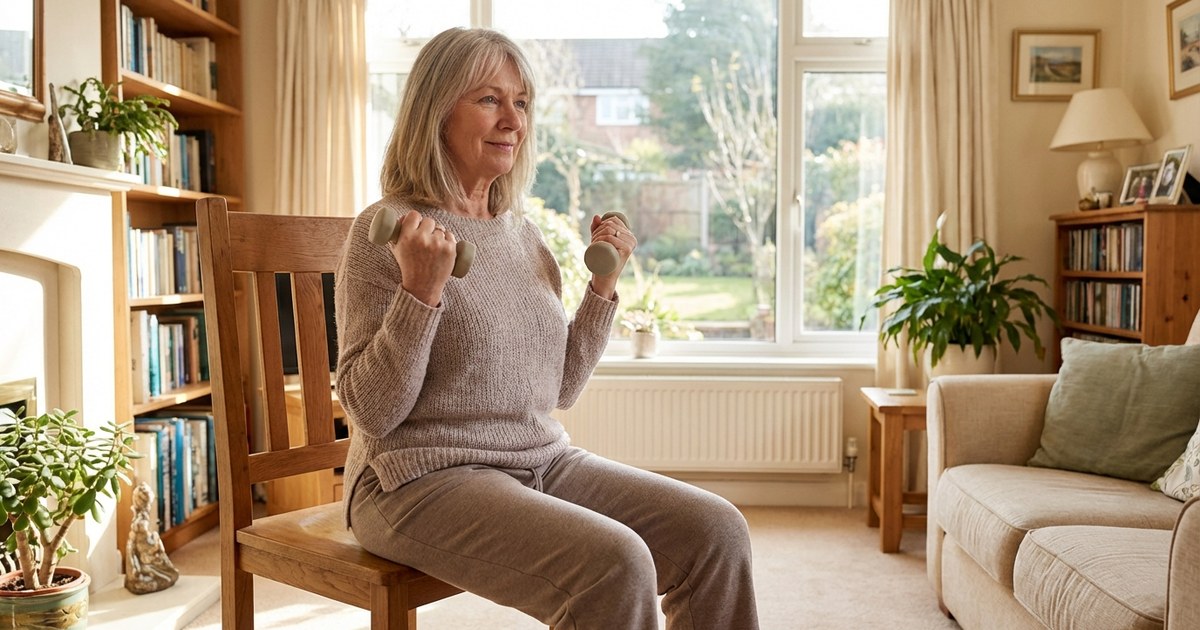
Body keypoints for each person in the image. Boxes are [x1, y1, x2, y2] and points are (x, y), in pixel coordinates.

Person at [334, 27, 759, 630]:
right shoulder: (387, 230)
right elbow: (373, 412)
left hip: (537, 458)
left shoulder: (522, 234)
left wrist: (602, 291)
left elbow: (558, 388)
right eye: (488, 99)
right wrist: (420, 293)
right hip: (413, 479)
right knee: (616, 564)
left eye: (522, 102)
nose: (513, 119)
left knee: (716, 531)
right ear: (435, 112)